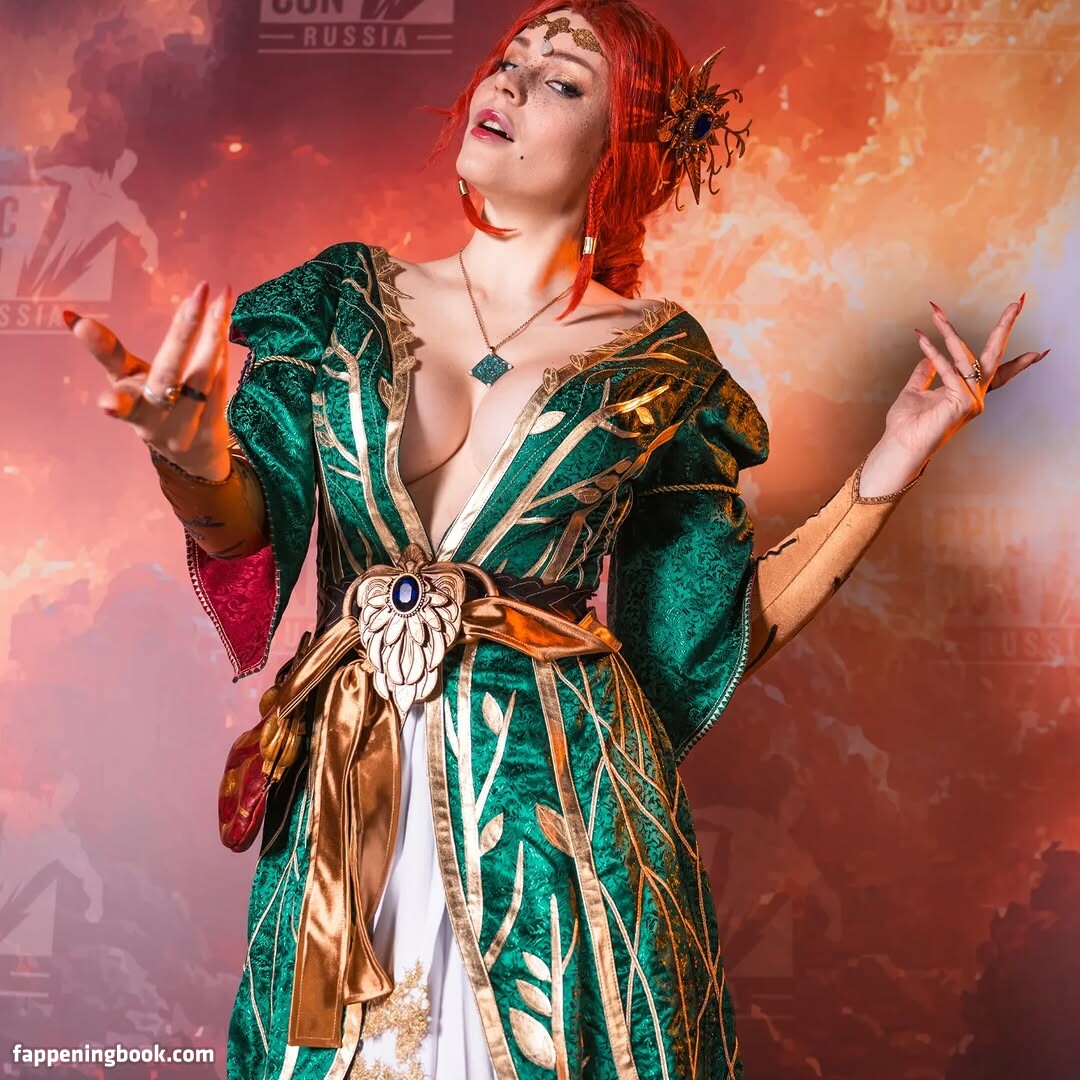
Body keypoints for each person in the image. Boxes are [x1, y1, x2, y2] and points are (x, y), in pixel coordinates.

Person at [64, 2, 1048, 1077]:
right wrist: (192, 461)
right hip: (345, 811)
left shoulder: (660, 365)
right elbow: (244, 535)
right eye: (509, 60)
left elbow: (708, 637)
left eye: (563, 80)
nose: (511, 83)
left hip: (563, 838)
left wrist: (890, 463)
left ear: (620, 151)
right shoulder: (336, 301)